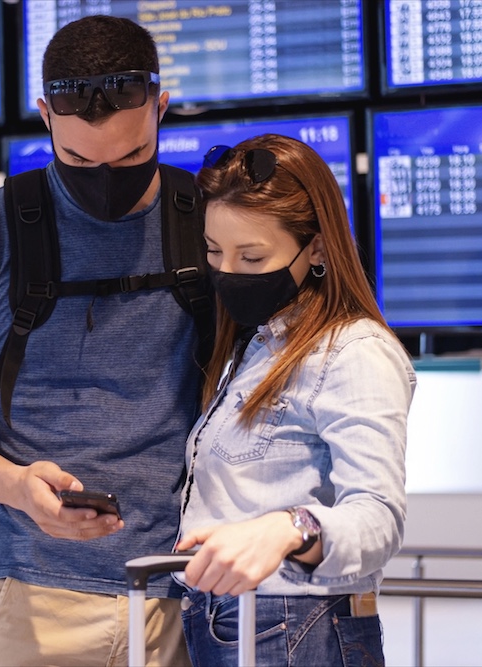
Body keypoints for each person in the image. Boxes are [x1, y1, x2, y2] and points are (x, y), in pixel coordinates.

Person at [0, 15, 204, 667]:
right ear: (45, 116)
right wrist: (18, 487)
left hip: (192, 596)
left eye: (130, 157)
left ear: (161, 108)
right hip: (31, 596)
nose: (106, 179)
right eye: (78, 161)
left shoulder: (210, 220)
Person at [174, 134, 417, 666]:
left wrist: (290, 527)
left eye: (253, 255)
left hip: (296, 626)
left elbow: (378, 517)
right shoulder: (256, 347)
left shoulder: (354, 352)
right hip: (222, 621)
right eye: (215, 251)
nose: (228, 271)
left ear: (319, 247)